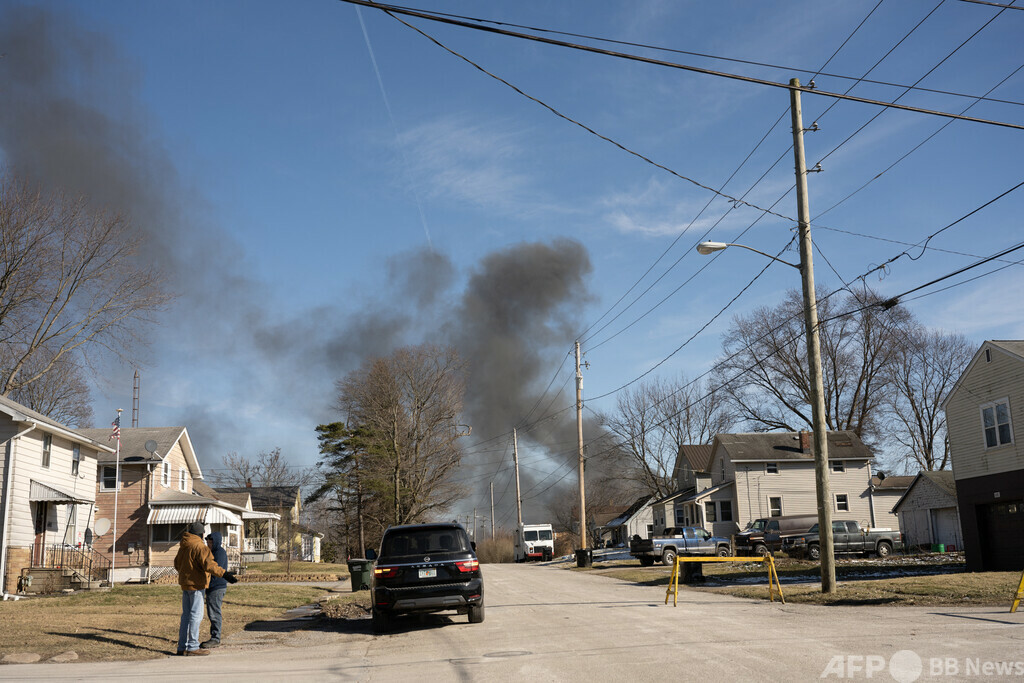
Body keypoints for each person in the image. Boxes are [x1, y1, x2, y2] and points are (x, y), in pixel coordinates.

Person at [174, 521, 237, 656]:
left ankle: (182, 646)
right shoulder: (200, 547)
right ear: (201, 534)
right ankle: (192, 646)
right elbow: (210, 565)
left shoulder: (183, 546)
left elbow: (176, 564)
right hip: (197, 586)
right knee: (196, 616)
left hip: (185, 585)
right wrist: (225, 574)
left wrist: (187, 573)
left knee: (185, 616)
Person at [202, 531, 229, 649]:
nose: (209, 544)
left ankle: (215, 638)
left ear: (216, 542)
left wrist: (207, 583)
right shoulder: (212, 552)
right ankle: (214, 636)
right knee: (212, 612)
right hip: (212, 586)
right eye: (208, 542)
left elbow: (216, 571)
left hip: (217, 587)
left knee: (214, 613)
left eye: (211, 542)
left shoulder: (220, 553)